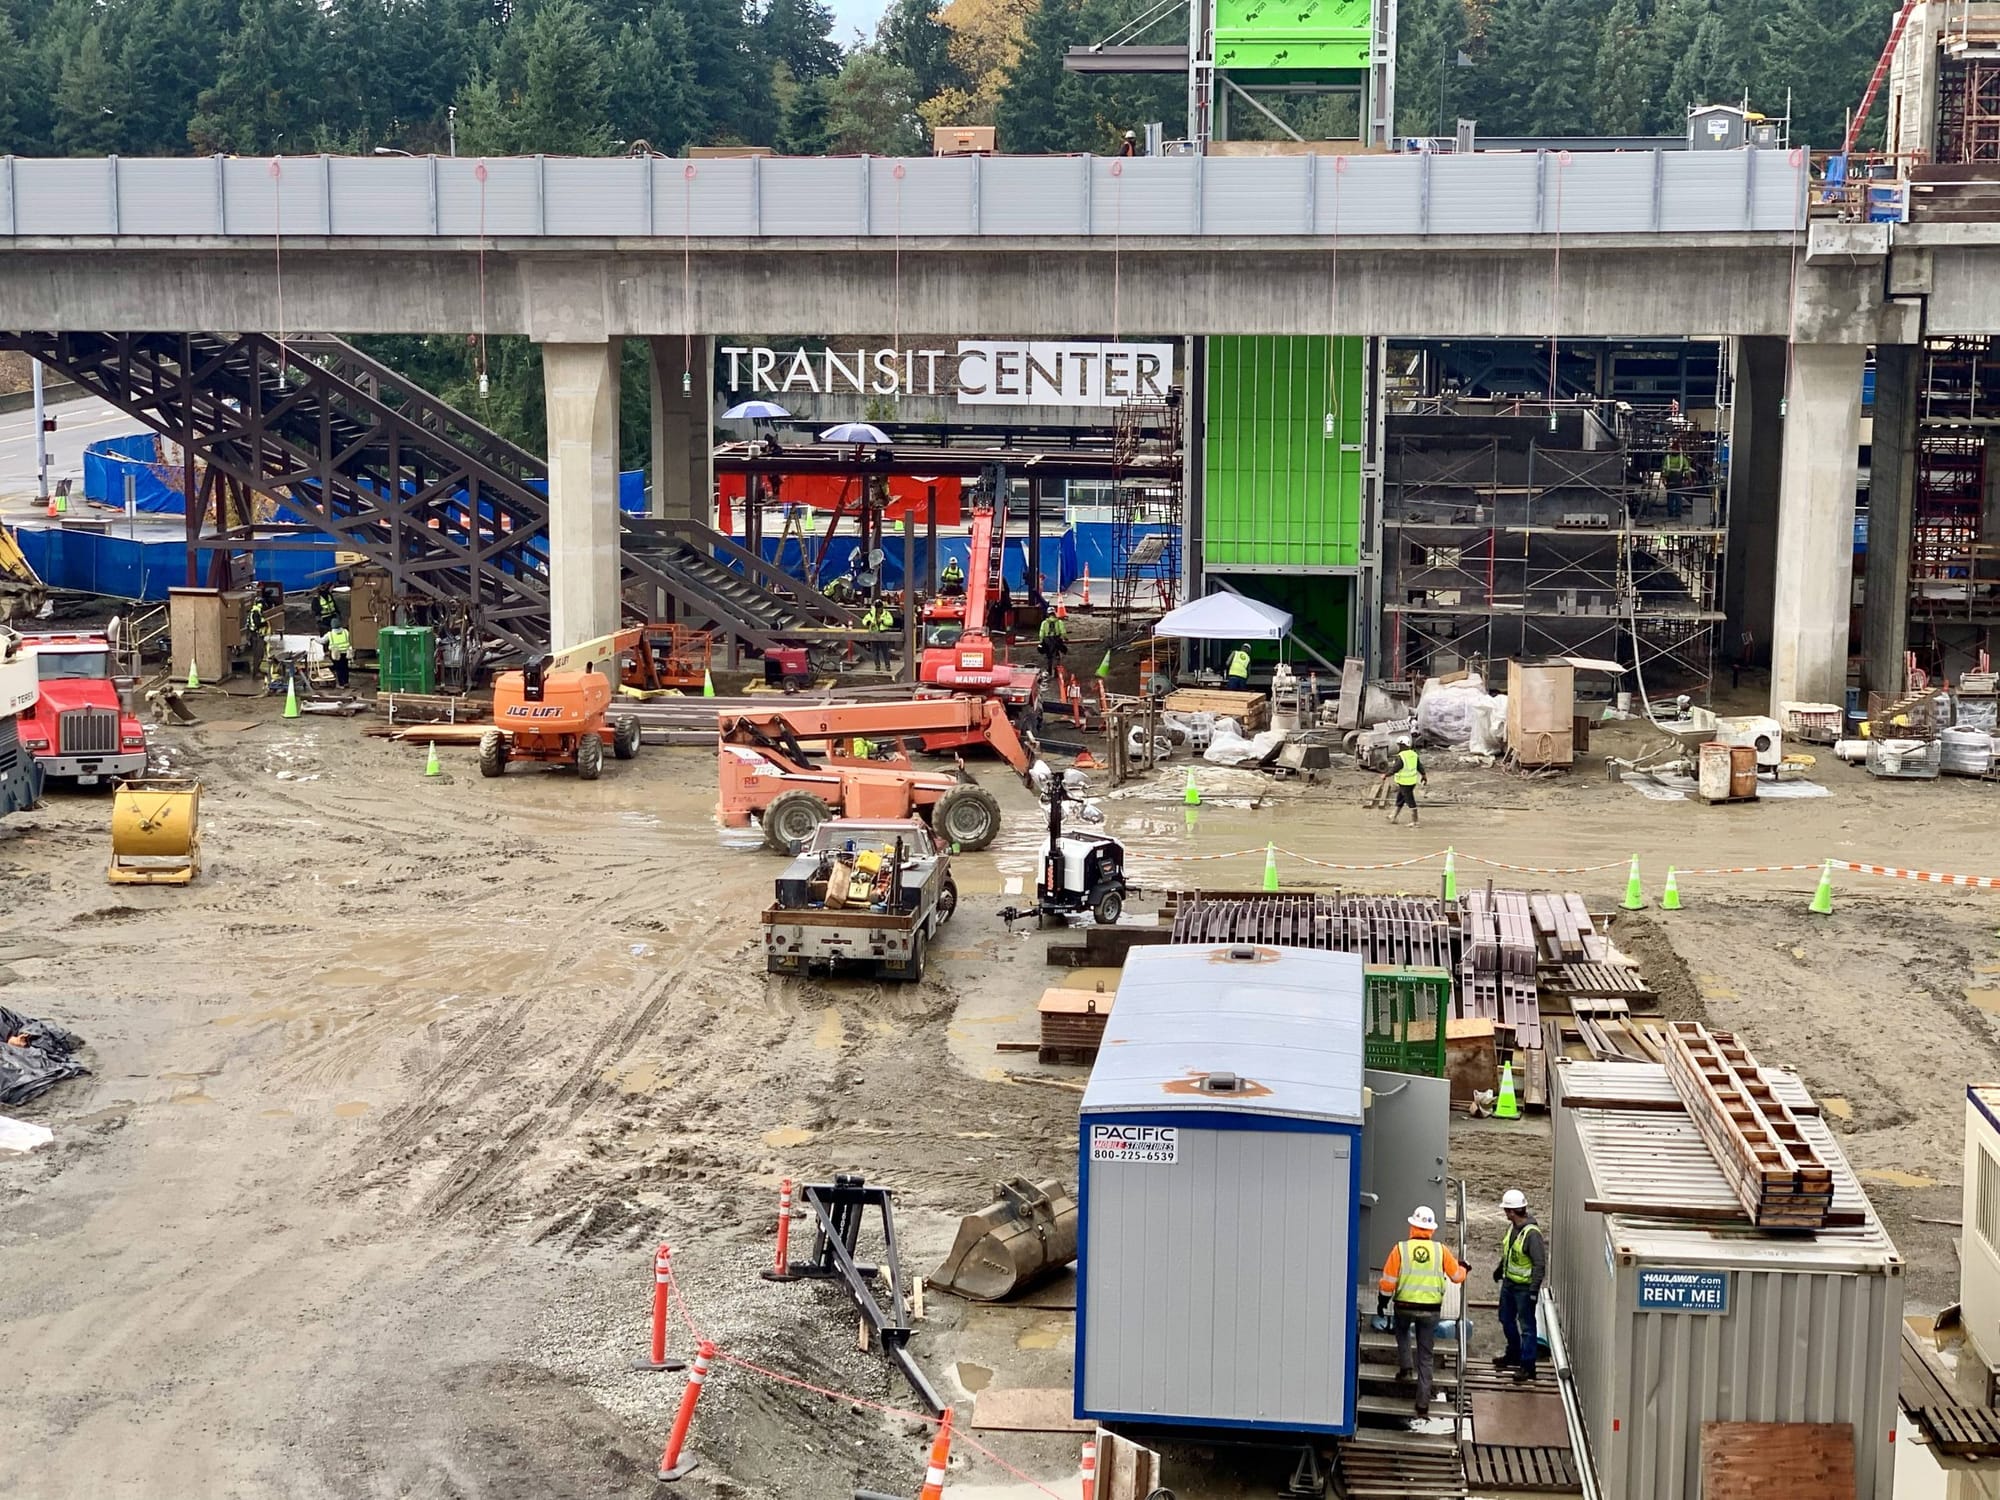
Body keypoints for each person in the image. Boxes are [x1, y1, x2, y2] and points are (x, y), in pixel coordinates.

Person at [1377, 1206, 1467, 1417]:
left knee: (1402, 1333)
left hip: (1404, 1306)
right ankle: (1423, 1403)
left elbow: (1388, 1282)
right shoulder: (1440, 1250)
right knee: (1426, 1356)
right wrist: (1464, 1268)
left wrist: (1382, 1302)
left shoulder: (1400, 1249)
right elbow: (1456, 1277)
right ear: (1431, 1230)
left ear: (1412, 1226)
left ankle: (1406, 1368)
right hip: (1430, 1310)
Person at [1495, 1189, 1547, 1385]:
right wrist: (1500, 1269)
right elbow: (1509, 1251)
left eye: (1506, 1210)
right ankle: (1514, 1354)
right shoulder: (1513, 1228)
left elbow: (1539, 1265)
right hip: (1510, 1283)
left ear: (1511, 1211)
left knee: (1527, 1326)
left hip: (1524, 1288)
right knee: (1506, 1318)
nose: (1505, 1213)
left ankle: (1527, 1365)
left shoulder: (1532, 1234)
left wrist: (1533, 1291)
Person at [1383, 738, 1427, 826]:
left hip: (1404, 782)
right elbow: (1419, 766)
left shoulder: (1401, 756)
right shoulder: (1414, 754)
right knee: (1400, 798)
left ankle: (1415, 821)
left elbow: (1396, 768)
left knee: (1410, 801)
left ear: (1401, 745)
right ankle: (1393, 816)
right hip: (1411, 782)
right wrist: (1424, 775)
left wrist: (1386, 775)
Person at [862, 599, 895, 671]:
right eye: (877, 607)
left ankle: (887, 665)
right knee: (875, 651)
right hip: (874, 633)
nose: (879, 609)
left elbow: (890, 622)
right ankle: (877, 665)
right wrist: (869, 623)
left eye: (880, 607)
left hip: (883, 633)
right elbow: (864, 620)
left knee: (885, 650)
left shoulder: (886, 613)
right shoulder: (871, 614)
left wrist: (883, 621)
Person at [1038, 605, 1070, 672]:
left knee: (1049, 655)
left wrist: (1041, 641)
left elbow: (1041, 633)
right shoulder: (1059, 622)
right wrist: (1065, 638)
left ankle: (1049, 669)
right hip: (1056, 640)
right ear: (1054, 613)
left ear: (1048, 614)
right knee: (1057, 654)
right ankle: (1056, 669)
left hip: (1047, 640)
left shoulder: (1044, 623)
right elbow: (1063, 631)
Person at [326, 621, 353, 689]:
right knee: (345, 668)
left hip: (336, 654)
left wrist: (315, 639)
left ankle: (341, 684)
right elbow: (350, 639)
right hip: (345, 653)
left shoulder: (330, 634)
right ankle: (346, 682)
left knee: (338, 669)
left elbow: (322, 640)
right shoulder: (345, 632)